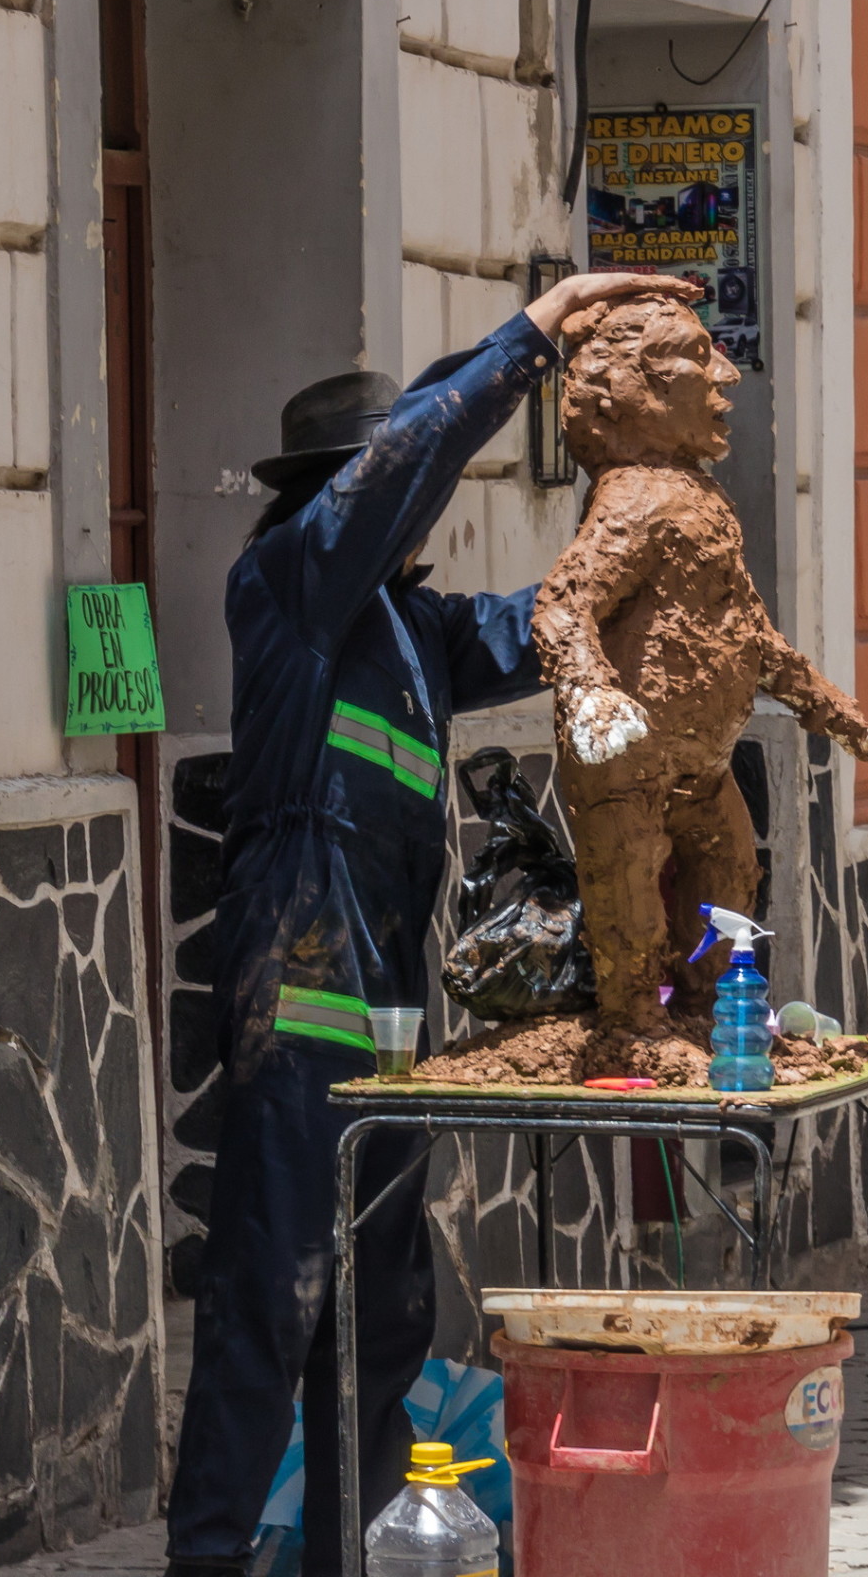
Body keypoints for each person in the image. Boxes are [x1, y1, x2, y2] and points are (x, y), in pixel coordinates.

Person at [163, 271, 700, 1577]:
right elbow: (410, 462)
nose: (423, 513)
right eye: (394, 493)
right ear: (346, 498)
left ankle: (349, 1554)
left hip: (386, 1039)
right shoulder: (289, 587)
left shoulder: (410, 631)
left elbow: (539, 626)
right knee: (270, 1306)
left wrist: (656, 554)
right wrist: (532, 338)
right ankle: (208, 1559)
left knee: (382, 1320)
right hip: (300, 1018)